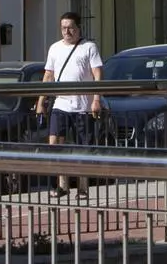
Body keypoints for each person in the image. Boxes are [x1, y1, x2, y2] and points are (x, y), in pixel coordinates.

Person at [34, 11, 103, 198]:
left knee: (82, 147)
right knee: (55, 143)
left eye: (70, 28)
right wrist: (41, 101)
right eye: (63, 28)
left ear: (78, 28)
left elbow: (97, 74)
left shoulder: (89, 47)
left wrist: (96, 100)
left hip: (83, 107)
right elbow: (48, 76)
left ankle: (82, 187)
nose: (67, 31)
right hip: (61, 104)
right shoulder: (55, 48)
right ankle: (62, 185)